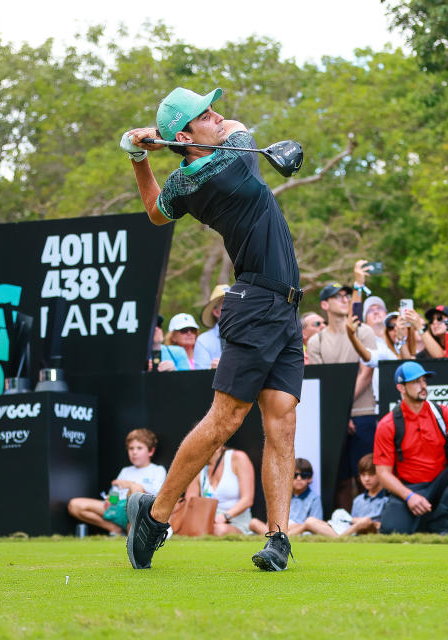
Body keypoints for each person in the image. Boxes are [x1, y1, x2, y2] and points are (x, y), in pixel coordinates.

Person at [123, 86, 305, 571]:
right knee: (225, 419)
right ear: (186, 134)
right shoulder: (233, 162)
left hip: (284, 306)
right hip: (257, 301)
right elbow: (240, 127)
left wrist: (141, 156)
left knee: (282, 421)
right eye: (205, 115)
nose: (218, 115)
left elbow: (156, 212)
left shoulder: (185, 181)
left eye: (213, 109)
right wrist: (160, 144)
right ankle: (156, 516)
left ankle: (278, 538)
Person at [374, 362, 448, 534]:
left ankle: (438, 525)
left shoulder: (443, 413)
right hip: (409, 487)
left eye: (424, 381)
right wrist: (409, 496)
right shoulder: (388, 424)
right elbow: (383, 474)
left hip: (439, 482)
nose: (423, 386)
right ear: (401, 387)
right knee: (391, 532)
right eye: (416, 382)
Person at [307, 280, 378, 511]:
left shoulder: (364, 332)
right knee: (340, 479)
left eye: (347, 295)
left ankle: (371, 522)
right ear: (325, 304)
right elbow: (321, 381)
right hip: (334, 417)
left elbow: (366, 373)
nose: (345, 299)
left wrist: (343, 410)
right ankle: (343, 526)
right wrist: (338, 414)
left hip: (363, 413)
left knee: (366, 474)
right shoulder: (316, 340)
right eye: (338, 296)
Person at [68, 429, 166, 536]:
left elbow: (157, 494)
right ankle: (115, 529)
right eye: (131, 448)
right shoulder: (125, 471)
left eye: (139, 448)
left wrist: (130, 484)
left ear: (151, 451)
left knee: (135, 489)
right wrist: (110, 499)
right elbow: (115, 494)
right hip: (119, 508)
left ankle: (132, 531)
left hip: (142, 513)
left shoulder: (158, 470)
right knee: (74, 505)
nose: (134, 452)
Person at [189, 445, 255, 536]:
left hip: (237, 521)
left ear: (218, 445)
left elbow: (247, 500)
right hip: (208, 522)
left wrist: (224, 517)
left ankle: (253, 529)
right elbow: (190, 503)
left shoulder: (238, 457)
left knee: (219, 530)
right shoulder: (197, 467)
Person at [251, 457, 324, 536]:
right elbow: (271, 521)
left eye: (304, 475)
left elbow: (315, 523)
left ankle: (276, 537)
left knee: (308, 528)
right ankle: (277, 537)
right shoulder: (281, 496)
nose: (299, 478)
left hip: (299, 530)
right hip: (279, 528)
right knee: (253, 522)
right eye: (295, 475)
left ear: (310, 478)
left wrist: (297, 526)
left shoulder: (314, 498)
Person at [194, 284, 229, 369]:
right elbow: (201, 375)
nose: (232, 307)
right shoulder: (203, 341)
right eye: (226, 303)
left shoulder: (248, 334)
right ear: (216, 312)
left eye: (235, 302)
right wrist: (213, 370)